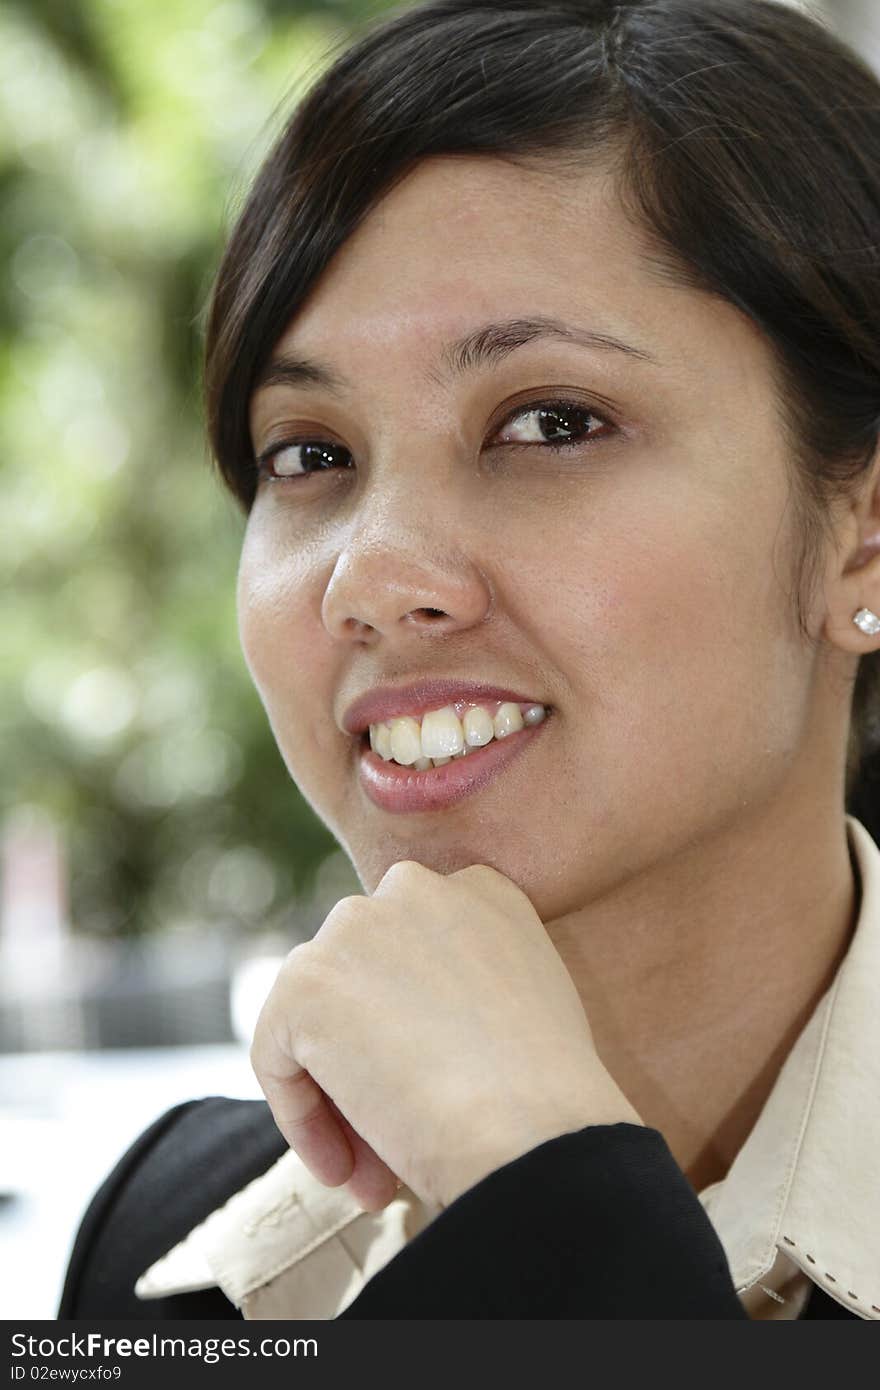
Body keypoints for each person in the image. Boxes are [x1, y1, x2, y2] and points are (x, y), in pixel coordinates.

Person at [59, 0, 880, 1320]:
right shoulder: (169, 1251)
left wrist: (554, 1199)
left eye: (550, 422)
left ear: (864, 538)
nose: (374, 579)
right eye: (309, 454)